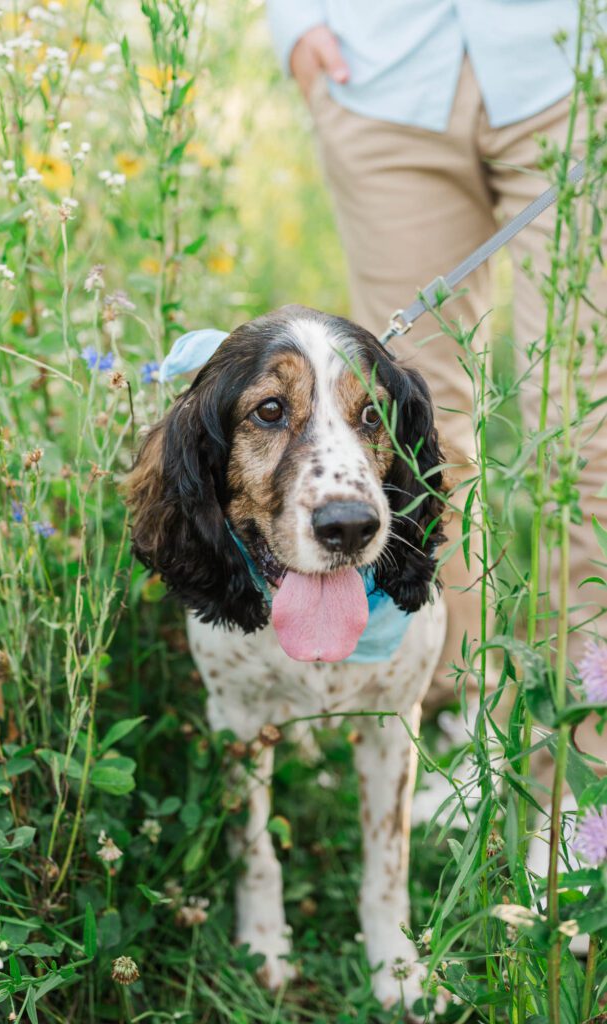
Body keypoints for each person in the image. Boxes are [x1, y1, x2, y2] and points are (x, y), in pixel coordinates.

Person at [265, 1, 607, 720]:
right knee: (416, 439)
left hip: (575, 66)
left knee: (591, 433)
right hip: (381, 72)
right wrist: (295, 23)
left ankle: (588, 752)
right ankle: (454, 715)